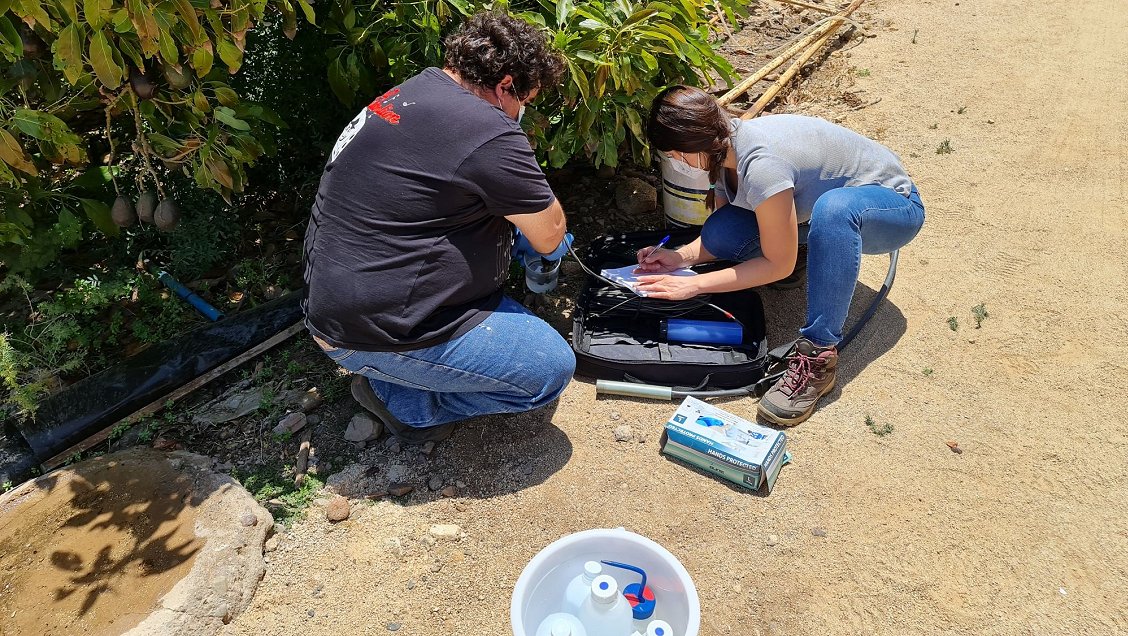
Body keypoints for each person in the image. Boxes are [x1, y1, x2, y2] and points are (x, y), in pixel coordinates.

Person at [302, 12, 576, 443]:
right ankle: (404, 401)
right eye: (525, 99)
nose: (521, 112)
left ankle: (412, 370)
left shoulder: (412, 91)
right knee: (547, 368)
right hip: (375, 330)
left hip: (343, 304)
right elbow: (549, 233)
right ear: (505, 85)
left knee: (513, 329)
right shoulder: (488, 130)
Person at [638, 85, 925, 426]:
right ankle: (811, 248)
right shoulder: (723, 147)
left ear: (694, 146)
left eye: (673, 154)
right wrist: (680, 258)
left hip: (892, 207)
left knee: (833, 211)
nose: (674, 162)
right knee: (723, 228)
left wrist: (694, 286)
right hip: (822, 209)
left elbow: (778, 264)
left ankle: (818, 355)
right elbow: (729, 231)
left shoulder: (761, 165)